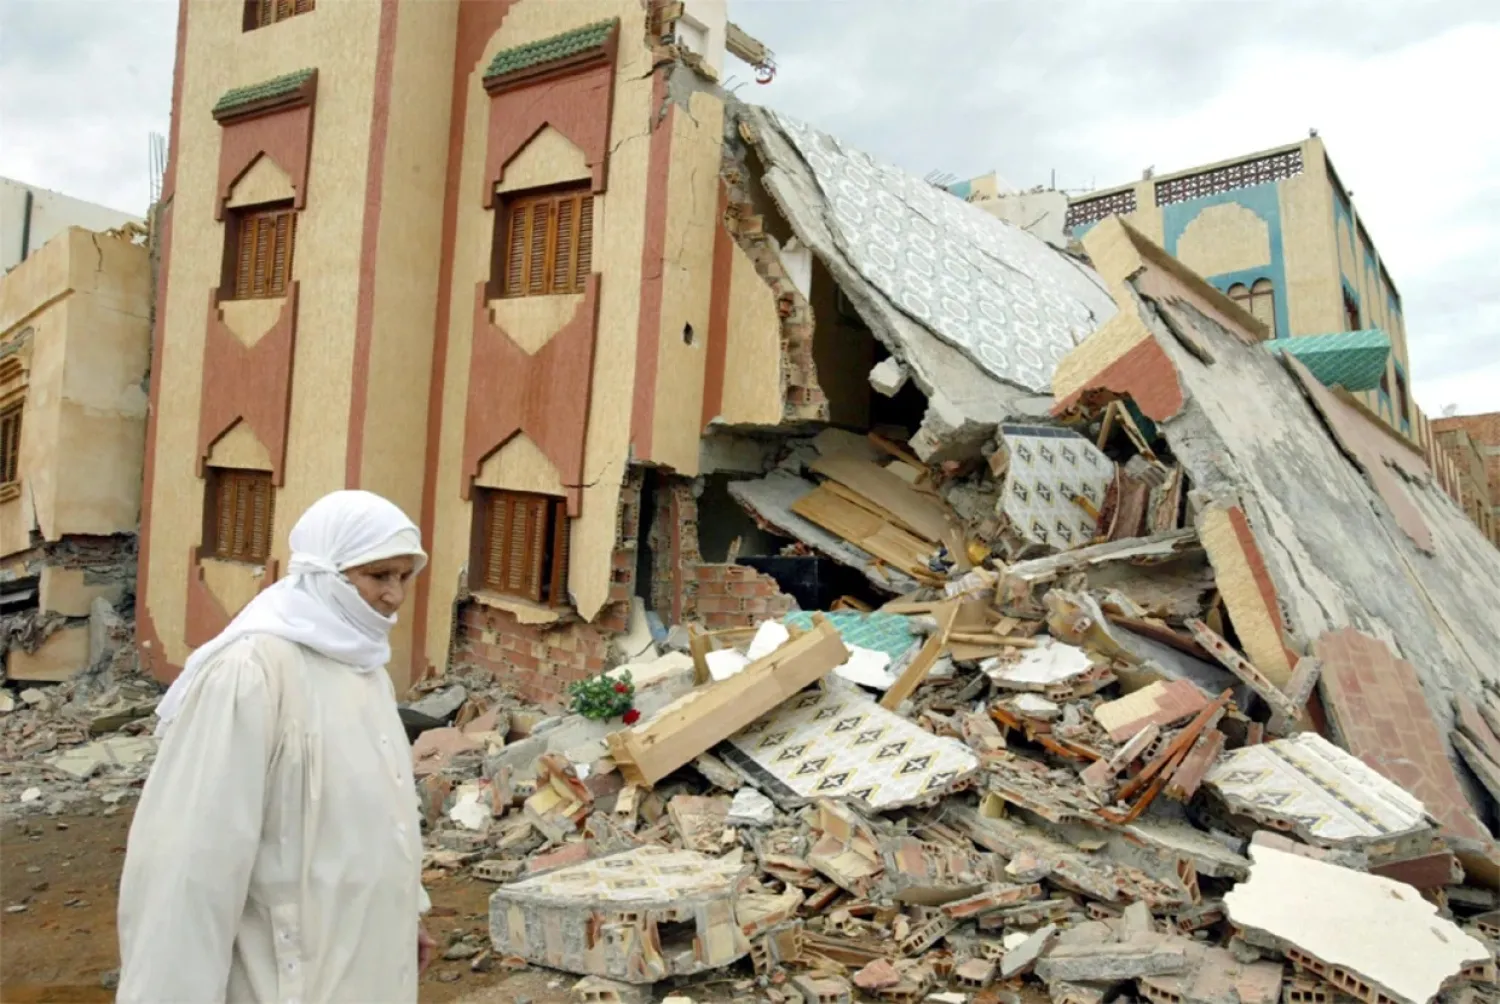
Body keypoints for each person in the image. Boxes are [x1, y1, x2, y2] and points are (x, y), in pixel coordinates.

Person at [117, 490, 438, 1003]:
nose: (394, 596)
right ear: (323, 572)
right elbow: (187, 867)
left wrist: (403, 917)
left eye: (405, 577)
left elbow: (382, 817)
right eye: (379, 577)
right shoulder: (250, 673)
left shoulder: (366, 670)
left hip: (366, 966)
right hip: (286, 977)